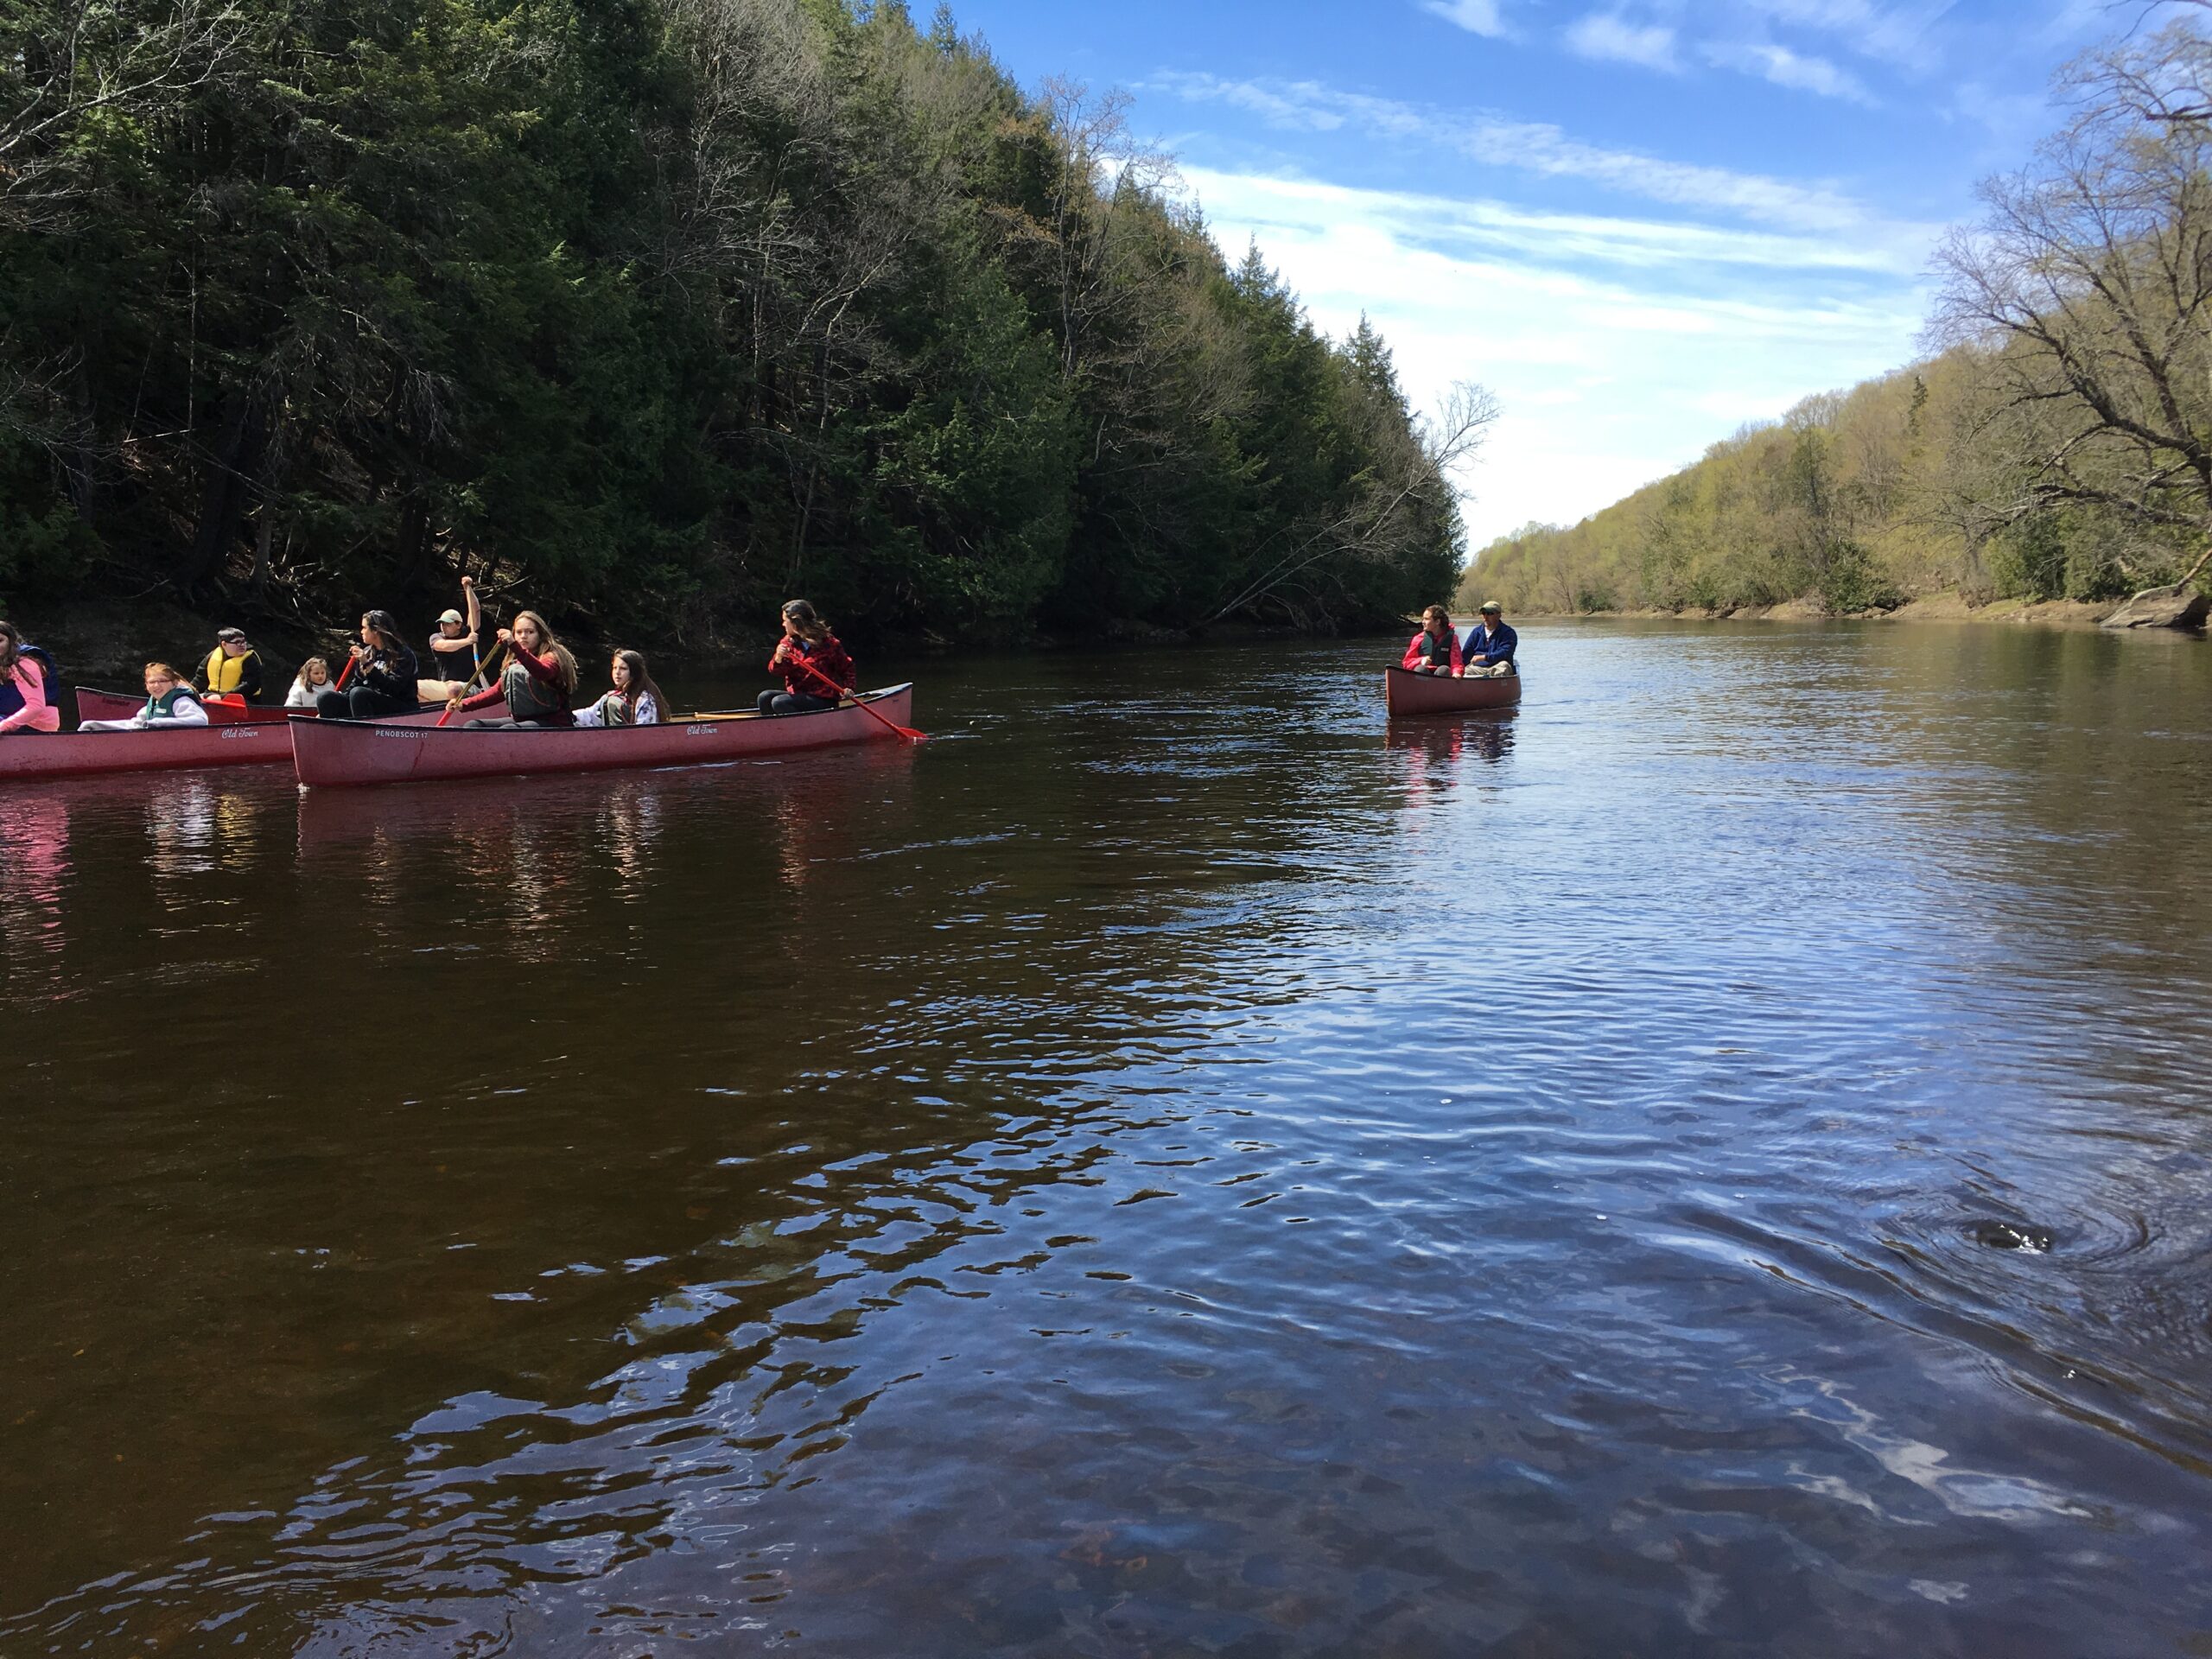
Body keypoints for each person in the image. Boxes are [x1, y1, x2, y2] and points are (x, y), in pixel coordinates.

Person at [447, 610, 579, 728]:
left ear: (540, 634)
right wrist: (464, 704)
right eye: (519, 632)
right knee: (473, 725)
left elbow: (543, 673)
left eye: (530, 632)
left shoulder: (551, 656)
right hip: (520, 721)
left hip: (552, 723)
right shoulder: (514, 662)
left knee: (508, 730)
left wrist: (515, 646)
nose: (523, 636)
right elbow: (498, 692)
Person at [759, 599, 854, 715]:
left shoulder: (829, 643)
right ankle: (775, 730)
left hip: (823, 698)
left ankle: (802, 730)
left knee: (780, 702)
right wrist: (778, 657)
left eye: (785, 621)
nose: (783, 624)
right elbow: (777, 671)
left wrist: (848, 688)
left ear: (796, 622)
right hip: (799, 696)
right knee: (765, 697)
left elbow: (847, 668)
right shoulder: (788, 643)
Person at [318, 612, 420, 719]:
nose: (361, 632)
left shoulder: (403, 654)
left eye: (364, 628)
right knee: (326, 697)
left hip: (400, 706)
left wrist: (368, 665)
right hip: (369, 704)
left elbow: (395, 688)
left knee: (359, 694)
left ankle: (363, 732)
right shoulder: (367, 653)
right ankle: (331, 729)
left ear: (376, 630)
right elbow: (357, 683)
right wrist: (336, 702)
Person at [79, 663, 208, 731]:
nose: (157, 685)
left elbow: (201, 721)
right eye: (152, 682)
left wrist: (158, 723)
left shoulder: (180, 701)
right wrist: (95, 725)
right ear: (146, 686)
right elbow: (134, 725)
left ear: (173, 683)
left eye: (162, 681)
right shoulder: (152, 704)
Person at [422, 575, 482, 697]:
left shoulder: (468, 631)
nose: (443, 627)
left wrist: (468, 589)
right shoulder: (436, 637)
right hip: (445, 686)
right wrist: (467, 641)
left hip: (468, 686)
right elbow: (442, 646)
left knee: (454, 688)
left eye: (447, 624)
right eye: (442, 624)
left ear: (458, 624)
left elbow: (475, 611)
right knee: (416, 687)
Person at [572, 649, 665, 728]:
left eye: (623, 669)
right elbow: (589, 716)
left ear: (634, 672)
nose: (617, 672)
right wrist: (568, 716)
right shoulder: (610, 696)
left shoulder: (645, 700)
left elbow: (646, 732)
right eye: (615, 668)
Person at [0, 620, 59, 734]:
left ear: (11, 641)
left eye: (0, 640)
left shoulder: (25, 664)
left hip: (37, 725)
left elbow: (36, 706)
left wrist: (3, 726)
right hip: (8, 718)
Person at [198, 626, 264, 704]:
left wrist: (222, 697)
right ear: (224, 644)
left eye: (243, 641)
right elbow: (200, 679)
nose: (242, 645)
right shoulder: (212, 656)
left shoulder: (250, 660)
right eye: (237, 642)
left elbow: (250, 686)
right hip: (212, 696)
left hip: (244, 700)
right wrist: (189, 691)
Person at [1402, 605, 1464, 676]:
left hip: (1442, 674)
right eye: (1423, 619)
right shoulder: (1418, 638)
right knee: (1420, 669)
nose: (1423, 622)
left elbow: (1457, 663)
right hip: (1424, 675)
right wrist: (1421, 661)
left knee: (1443, 670)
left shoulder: (1452, 638)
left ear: (1437, 621)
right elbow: (1406, 663)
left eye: (1426, 619)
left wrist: (1457, 672)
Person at [1464, 601, 1517, 678]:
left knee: (1503, 667)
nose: (1485, 616)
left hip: (1498, 666)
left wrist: (1485, 657)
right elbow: (1466, 653)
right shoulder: (1476, 632)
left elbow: (1505, 653)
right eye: (1483, 613)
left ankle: (1496, 688)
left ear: (1499, 615)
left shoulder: (1508, 633)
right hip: (1478, 668)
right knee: (1464, 671)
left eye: (1489, 613)